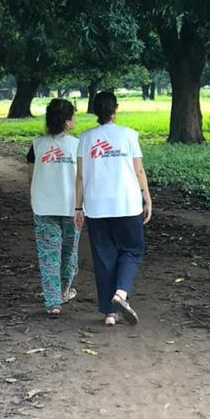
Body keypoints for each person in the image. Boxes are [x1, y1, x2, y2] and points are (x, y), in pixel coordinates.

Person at [74, 90, 152, 326]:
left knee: (103, 256)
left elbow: (80, 176)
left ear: (95, 110)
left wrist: (78, 207)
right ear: (115, 110)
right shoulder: (129, 135)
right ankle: (121, 293)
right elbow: (138, 170)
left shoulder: (84, 138)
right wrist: (147, 197)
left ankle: (110, 313)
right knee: (133, 250)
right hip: (127, 203)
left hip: (96, 205)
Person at [27, 98, 81, 318]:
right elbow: (82, 178)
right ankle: (64, 291)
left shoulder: (36, 144)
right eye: (73, 117)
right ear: (67, 121)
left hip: (43, 205)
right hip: (71, 207)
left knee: (48, 255)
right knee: (69, 252)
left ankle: (53, 302)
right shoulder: (77, 145)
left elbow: (30, 176)